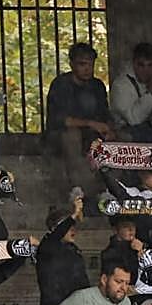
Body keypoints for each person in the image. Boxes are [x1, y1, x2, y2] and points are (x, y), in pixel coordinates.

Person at [45, 41, 112, 201]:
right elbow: (59, 120)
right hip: (61, 135)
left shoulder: (97, 86)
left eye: (90, 64)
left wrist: (109, 129)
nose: (87, 69)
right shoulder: (61, 85)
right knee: (71, 136)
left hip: (92, 134)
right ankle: (78, 188)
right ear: (72, 64)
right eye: (82, 64)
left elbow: (105, 114)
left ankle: (110, 188)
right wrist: (89, 123)